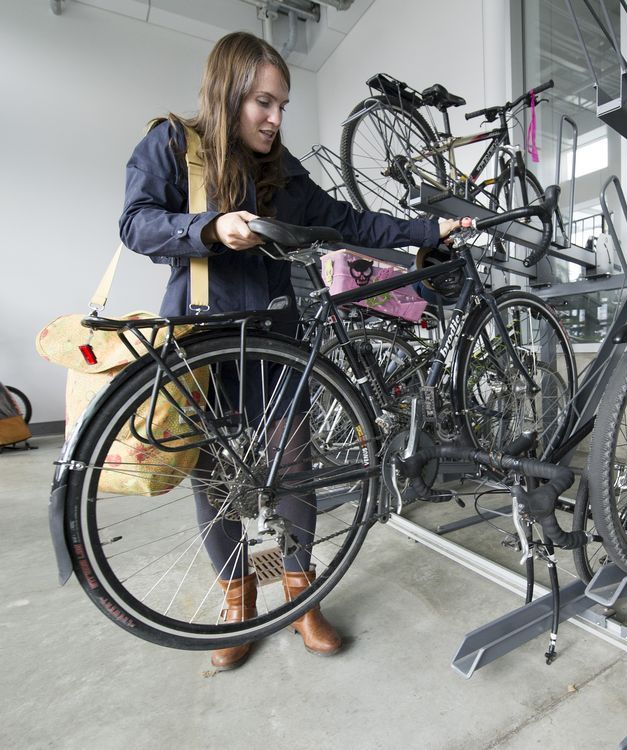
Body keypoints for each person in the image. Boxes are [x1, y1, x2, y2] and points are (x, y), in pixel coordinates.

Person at [120, 31, 458, 670]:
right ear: (227, 95)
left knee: (293, 471)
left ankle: (299, 598)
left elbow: (348, 221)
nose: (275, 119)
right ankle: (239, 602)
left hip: (277, 341)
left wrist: (425, 229)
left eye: (282, 105)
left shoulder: (281, 169)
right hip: (202, 342)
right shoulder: (173, 145)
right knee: (218, 482)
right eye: (263, 103)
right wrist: (208, 228)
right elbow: (136, 221)